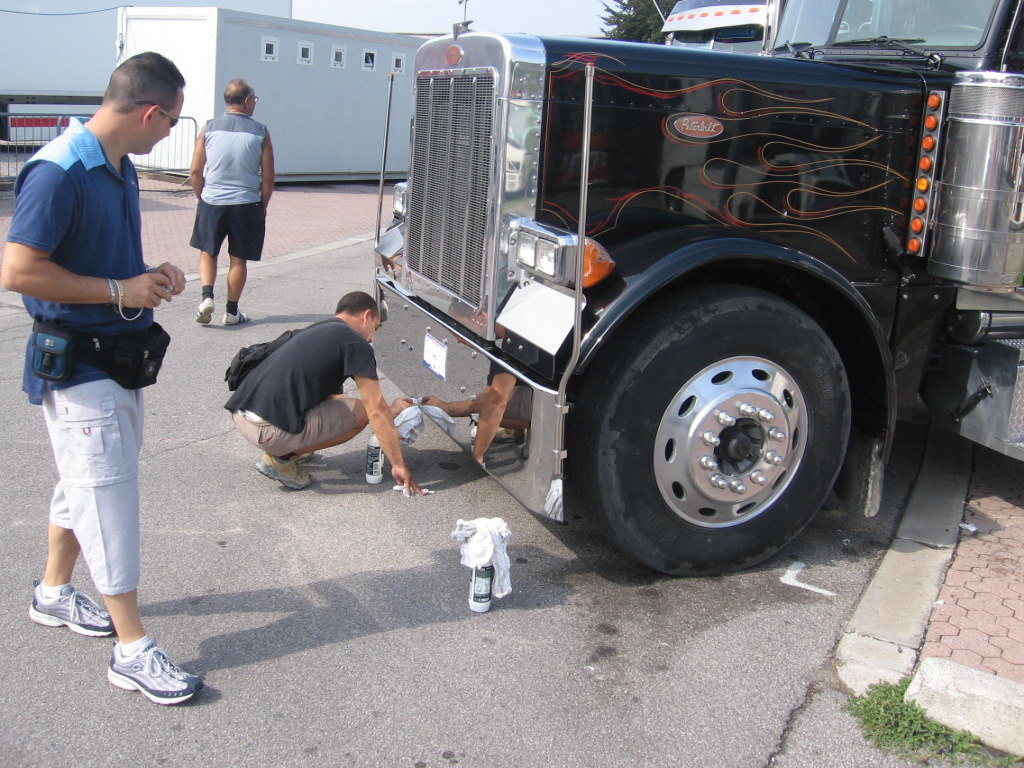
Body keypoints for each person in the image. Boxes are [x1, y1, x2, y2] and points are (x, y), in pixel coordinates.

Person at [1, 52, 203, 705]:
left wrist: (149, 276)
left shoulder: (118, 168)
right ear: (150, 112)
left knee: (83, 481)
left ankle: (55, 593)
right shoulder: (59, 171)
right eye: (171, 120)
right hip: (80, 360)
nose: (170, 131)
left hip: (115, 355)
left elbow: (108, 264)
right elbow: (17, 271)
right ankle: (132, 649)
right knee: (108, 497)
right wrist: (122, 287)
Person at [226, 291, 426, 495]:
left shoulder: (319, 330)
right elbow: (374, 410)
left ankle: (290, 447)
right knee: (362, 413)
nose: (372, 338)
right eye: (374, 328)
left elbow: (335, 399)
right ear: (366, 316)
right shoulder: (355, 343)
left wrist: (391, 410)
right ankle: (281, 459)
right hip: (266, 431)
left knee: (351, 407)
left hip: (241, 415)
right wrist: (399, 464)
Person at [189, 78, 274, 326]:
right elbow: (267, 175)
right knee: (238, 259)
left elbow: (195, 170)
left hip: (212, 200)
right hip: (246, 203)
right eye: (254, 100)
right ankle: (232, 311)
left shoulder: (209, 127)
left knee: (208, 251)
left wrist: (201, 197)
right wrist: (263, 205)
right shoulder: (260, 131)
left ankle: (206, 297)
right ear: (247, 101)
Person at [421, 367, 532, 467]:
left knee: (493, 408)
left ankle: (532, 429)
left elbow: (495, 403)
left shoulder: (516, 347)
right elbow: (489, 392)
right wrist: (445, 408)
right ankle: (513, 429)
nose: (459, 342)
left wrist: (477, 458)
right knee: (490, 403)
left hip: (543, 409)